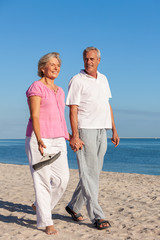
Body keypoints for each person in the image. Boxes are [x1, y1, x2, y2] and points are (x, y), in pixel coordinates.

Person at [65, 47, 120, 230]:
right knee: (88, 173)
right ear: (83, 60)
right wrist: (75, 136)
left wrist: (114, 129)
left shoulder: (104, 79)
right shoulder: (77, 80)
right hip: (85, 129)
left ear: (99, 60)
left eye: (92, 59)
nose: (89, 62)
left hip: (101, 130)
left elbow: (107, 105)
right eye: (86, 59)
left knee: (93, 173)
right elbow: (73, 109)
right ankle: (97, 215)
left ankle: (73, 206)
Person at [25, 52, 70, 235]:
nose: (55, 67)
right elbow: (34, 115)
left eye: (58, 64)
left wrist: (69, 135)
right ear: (42, 68)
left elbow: (60, 117)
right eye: (51, 64)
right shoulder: (36, 87)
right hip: (39, 139)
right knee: (42, 181)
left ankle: (39, 206)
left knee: (62, 180)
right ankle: (46, 222)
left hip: (59, 139)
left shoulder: (60, 91)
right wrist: (39, 138)